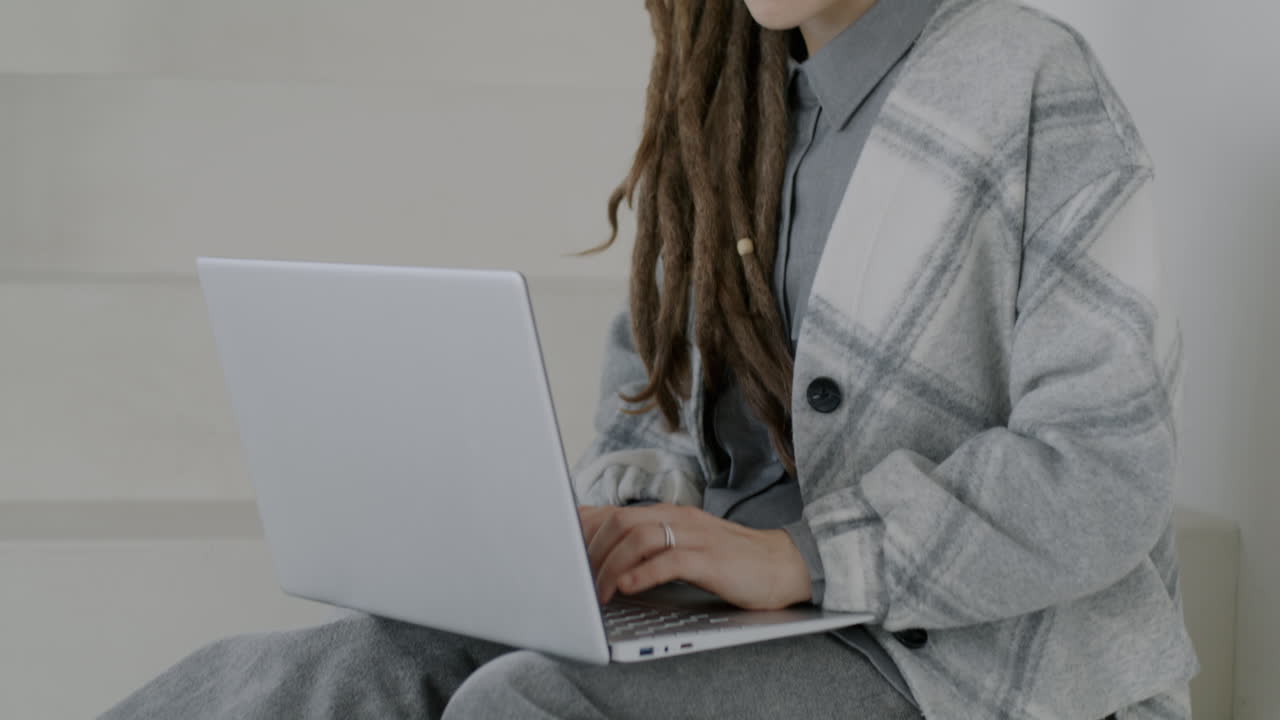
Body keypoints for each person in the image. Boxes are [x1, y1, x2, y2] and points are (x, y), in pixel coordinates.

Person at [101, 0, 1198, 718]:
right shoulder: (724, 97)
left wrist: (806, 558)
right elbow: (645, 414)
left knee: (522, 706)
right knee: (332, 675)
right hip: (727, 617)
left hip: (957, 658)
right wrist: (619, 530)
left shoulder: (1030, 80)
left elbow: (1104, 470)